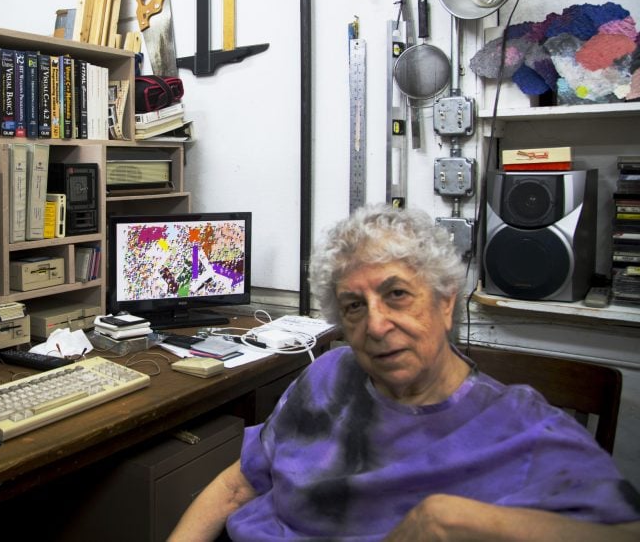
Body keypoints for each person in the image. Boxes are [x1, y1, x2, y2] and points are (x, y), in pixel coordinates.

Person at [169, 205, 640, 541]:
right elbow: (236, 487)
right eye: (354, 306)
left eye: (396, 294)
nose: (376, 325)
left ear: (445, 300)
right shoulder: (327, 376)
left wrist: (452, 521)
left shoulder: (522, 428)